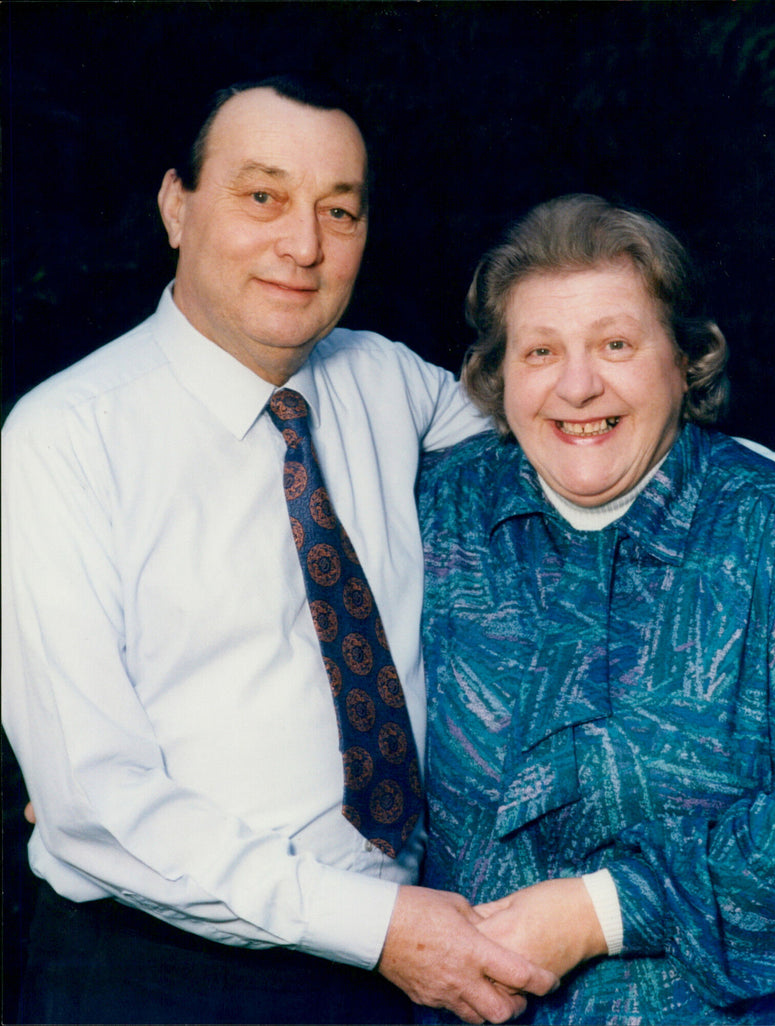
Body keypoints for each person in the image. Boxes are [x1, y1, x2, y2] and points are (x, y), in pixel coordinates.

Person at [1, 76, 559, 1025]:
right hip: (158, 976)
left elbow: (588, 435)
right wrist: (375, 926)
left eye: (337, 211)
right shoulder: (63, 439)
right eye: (262, 197)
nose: (303, 246)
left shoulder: (385, 379)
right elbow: (95, 800)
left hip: (391, 974)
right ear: (177, 206)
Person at [418, 194, 775, 1024]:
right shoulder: (439, 511)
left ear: (686, 360)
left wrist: (605, 910)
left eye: (616, 344)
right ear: (497, 377)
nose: (578, 385)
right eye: (541, 350)